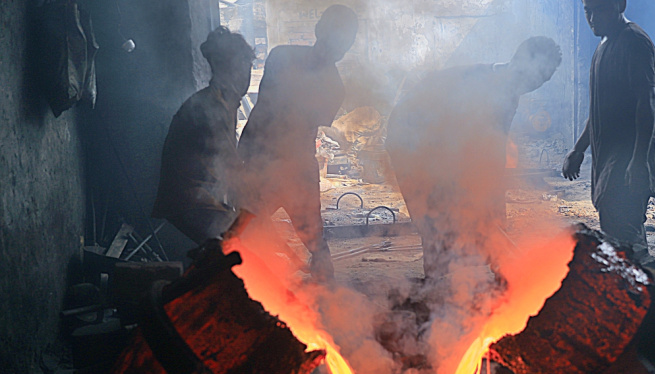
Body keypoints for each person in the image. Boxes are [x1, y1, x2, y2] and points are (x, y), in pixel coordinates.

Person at [386, 37, 562, 281]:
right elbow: (456, 152)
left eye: (542, 81)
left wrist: (495, 213)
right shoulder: (481, 86)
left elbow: (492, 154)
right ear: (520, 60)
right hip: (410, 141)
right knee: (435, 220)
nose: (534, 85)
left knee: (471, 214)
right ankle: (435, 292)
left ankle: (495, 275)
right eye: (535, 76)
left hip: (439, 146)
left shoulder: (510, 94)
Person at [238, 5, 359, 284]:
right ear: (320, 31)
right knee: (245, 232)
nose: (337, 46)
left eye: (344, 41)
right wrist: (240, 158)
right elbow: (263, 112)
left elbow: (289, 120)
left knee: (313, 241)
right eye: (336, 37)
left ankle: (325, 304)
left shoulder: (331, 85)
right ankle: (254, 289)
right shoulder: (282, 58)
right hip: (266, 162)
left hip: (293, 167)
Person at [562, 0, 655, 269]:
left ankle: (650, 298)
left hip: (628, 157)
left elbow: (646, 103)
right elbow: (599, 111)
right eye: (587, 10)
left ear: (619, 5)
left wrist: (638, 161)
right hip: (609, 159)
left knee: (628, 240)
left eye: (600, 8)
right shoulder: (603, 46)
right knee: (615, 233)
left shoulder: (635, 43)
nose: (592, 17)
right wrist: (579, 149)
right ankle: (633, 296)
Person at [151, 27, 255, 244]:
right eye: (241, 65)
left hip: (199, 196)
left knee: (242, 241)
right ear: (221, 67)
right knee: (247, 247)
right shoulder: (212, 106)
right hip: (189, 199)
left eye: (249, 66)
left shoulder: (226, 103)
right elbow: (232, 169)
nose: (246, 73)